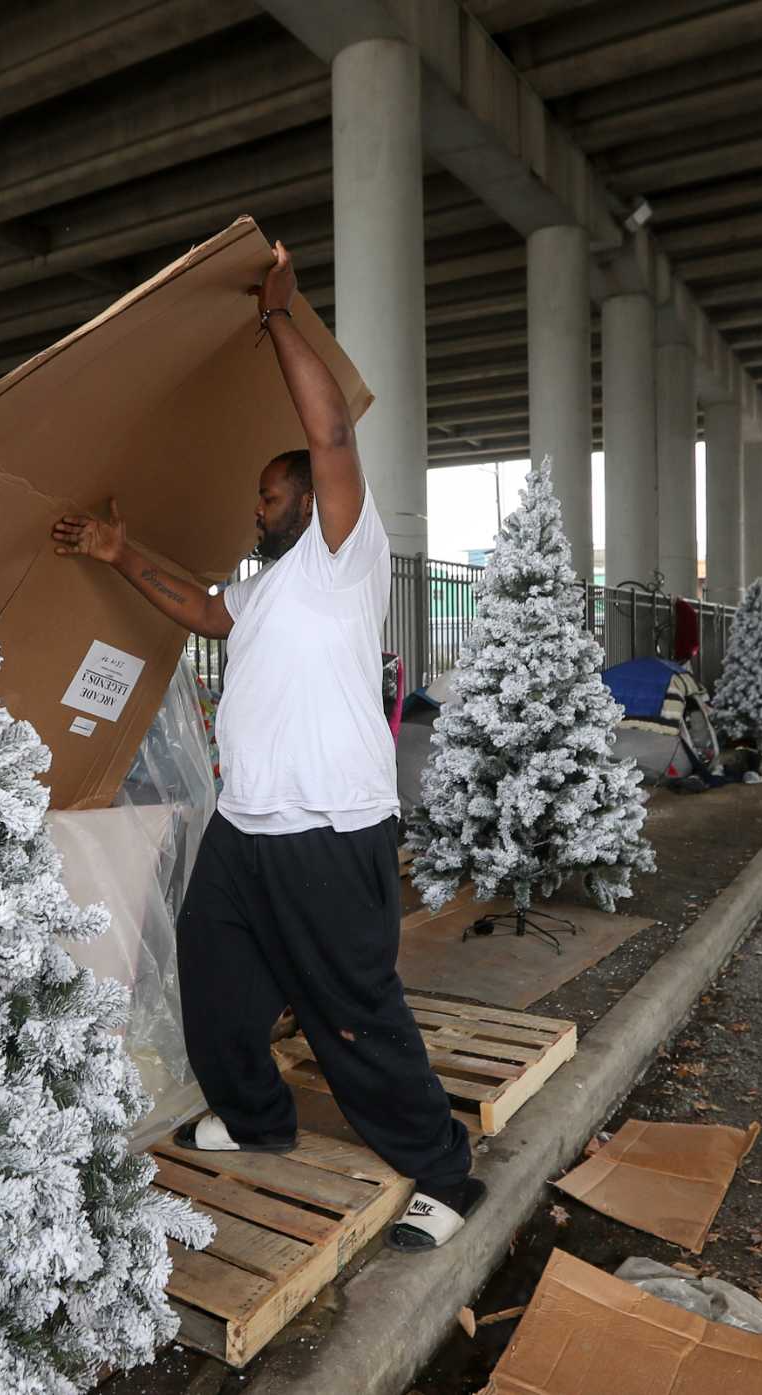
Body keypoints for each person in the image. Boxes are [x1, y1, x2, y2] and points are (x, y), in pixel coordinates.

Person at [51, 242, 481, 1251]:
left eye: (267, 493)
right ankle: (254, 1114)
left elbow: (328, 432)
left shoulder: (344, 558)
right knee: (215, 973)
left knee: (350, 1011)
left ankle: (444, 1172)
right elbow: (203, 610)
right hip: (248, 832)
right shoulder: (265, 590)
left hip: (328, 832)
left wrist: (279, 316)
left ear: (308, 498)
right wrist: (118, 554)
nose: (257, 506)